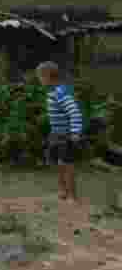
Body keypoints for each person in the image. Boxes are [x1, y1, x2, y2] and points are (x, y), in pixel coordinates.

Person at [37, 60, 84, 202]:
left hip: (65, 135)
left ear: (47, 76)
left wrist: (75, 132)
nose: (40, 81)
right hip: (56, 133)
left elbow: (74, 112)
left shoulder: (61, 93)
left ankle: (72, 195)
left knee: (67, 164)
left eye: (40, 77)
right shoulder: (53, 93)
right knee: (57, 162)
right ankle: (63, 191)